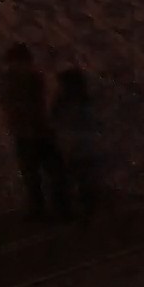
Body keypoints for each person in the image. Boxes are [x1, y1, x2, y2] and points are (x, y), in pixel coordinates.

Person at [0, 44, 72, 221]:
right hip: (33, 133)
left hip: (33, 133)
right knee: (42, 174)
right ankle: (51, 209)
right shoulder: (29, 81)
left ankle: (46, 209)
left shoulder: (27, 81)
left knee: (42, 174)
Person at [50, 67, 106, 217]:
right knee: (82, 181)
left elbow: (56, 122)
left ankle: (78, 212)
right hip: (79, 149)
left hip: (75, 149)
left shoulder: (70, 104)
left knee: (76, 181)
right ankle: (86, 211)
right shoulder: (81, 102)